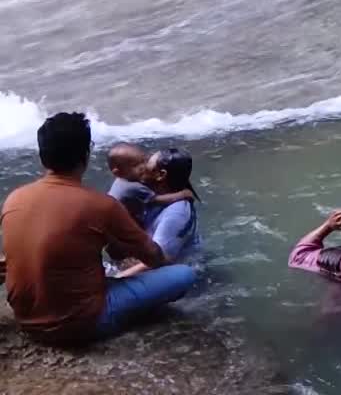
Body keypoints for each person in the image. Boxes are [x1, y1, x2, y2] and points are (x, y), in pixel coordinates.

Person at [0, 113, 195, 343]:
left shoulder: (14, 199)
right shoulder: (100, 205)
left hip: (27, 319)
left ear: (43, 157)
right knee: (184, 274)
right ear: (85, 155)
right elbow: (154, 257)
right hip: (82, 324)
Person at [114, 148, 202, 279]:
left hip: (172, 275)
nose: (142, 166)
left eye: (146, 163)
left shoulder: (176, 212)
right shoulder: (142, 193)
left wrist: (116, 278)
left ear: (161, 175)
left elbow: (159, 261)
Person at [107, 143, 195, 224]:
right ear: (118, 172)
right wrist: (182, 194)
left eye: (143, 161)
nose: (143, 167)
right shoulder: (132, 187)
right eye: (135, 165)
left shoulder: (123, 179)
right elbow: (158, 200)